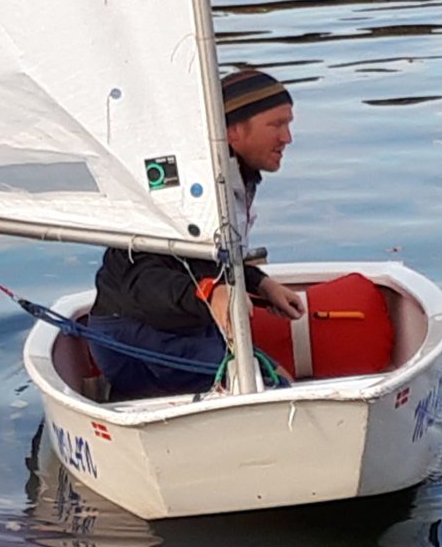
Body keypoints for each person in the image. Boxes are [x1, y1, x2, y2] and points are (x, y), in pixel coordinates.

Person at [87, 69, 305, 400]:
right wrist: (210, 292)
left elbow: (211, 256)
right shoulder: (184, 191)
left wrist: (260, 283)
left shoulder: (230, 178)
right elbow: (142, 279)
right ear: (231, 132)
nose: (287, 137)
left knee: (270, 376)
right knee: (273, 386)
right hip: (136, 332)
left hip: (182, 323)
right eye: (276, 125)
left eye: (287, 124)